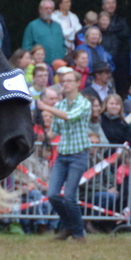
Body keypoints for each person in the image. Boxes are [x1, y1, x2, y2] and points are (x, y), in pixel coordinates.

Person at [37, 66, 90, 241]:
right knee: (52, 194)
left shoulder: (84, 103)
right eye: (63, 81)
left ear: (77, 83)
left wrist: (46, 107)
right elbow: (55, 131)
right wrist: (39, 137)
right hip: (62, 155)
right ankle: (69, 227)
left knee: (69, 196)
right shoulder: (59, 104)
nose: (64, 84)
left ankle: (78, 232)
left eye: (68, 81)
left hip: (78, 155)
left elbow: (69, 116)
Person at [21, 0, 68, 65]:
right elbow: (26, 47)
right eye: (46, 8)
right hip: (40, 65)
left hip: (58, 65)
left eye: (51, 8)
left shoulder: (57, 26)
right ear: (40, 10)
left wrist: (62, 54)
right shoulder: (32, 26)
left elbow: (63, 44)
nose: (49, 11)